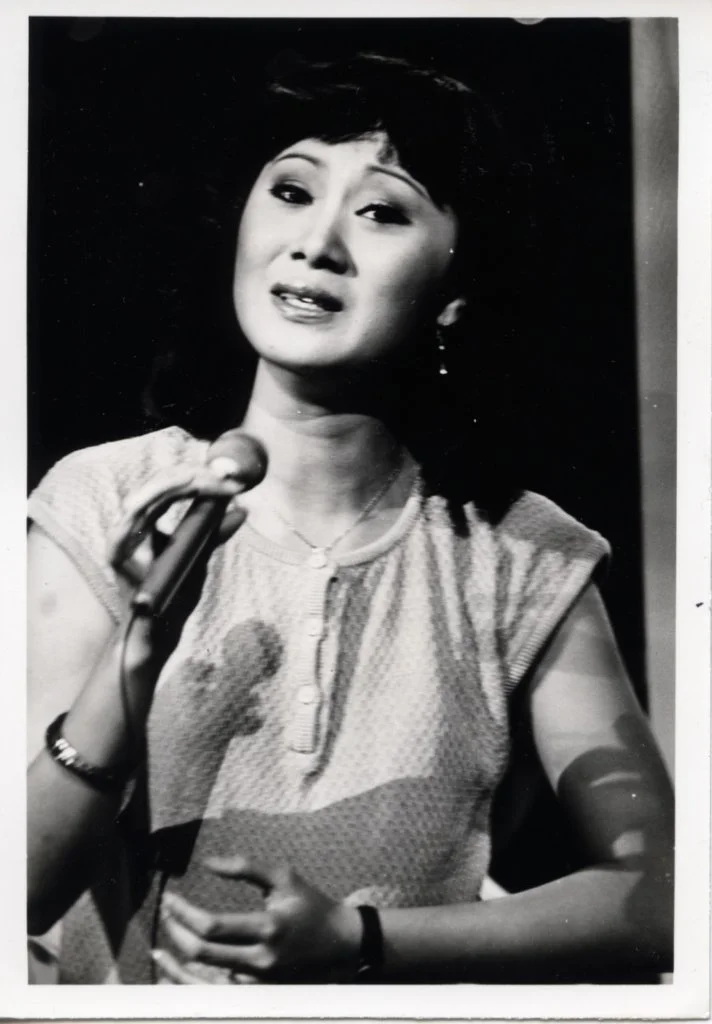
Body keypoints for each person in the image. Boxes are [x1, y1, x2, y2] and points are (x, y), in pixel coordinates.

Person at [27, 51, 674, 984]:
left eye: (380, 212)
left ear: (457, 292)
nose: (317, 243)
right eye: (292, 192)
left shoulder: (526, 556)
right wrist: (135, 655)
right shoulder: (106, 498)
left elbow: (665, 900)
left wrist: (364, 943)